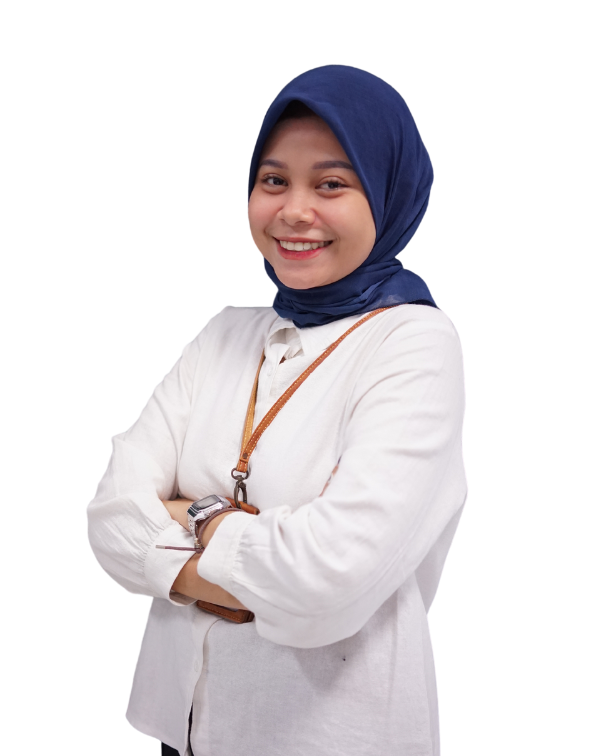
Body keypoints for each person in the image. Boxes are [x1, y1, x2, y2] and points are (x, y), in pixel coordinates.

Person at [88, 64, 467, 756]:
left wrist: (192, 518)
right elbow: (112, 514)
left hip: (330, 737)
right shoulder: (225, 335)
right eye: (273, 180)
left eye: (331, 184)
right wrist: (255, 564)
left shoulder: (413, 343)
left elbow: (327, 577)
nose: (294, 210)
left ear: (388, 192)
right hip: (187, 728)